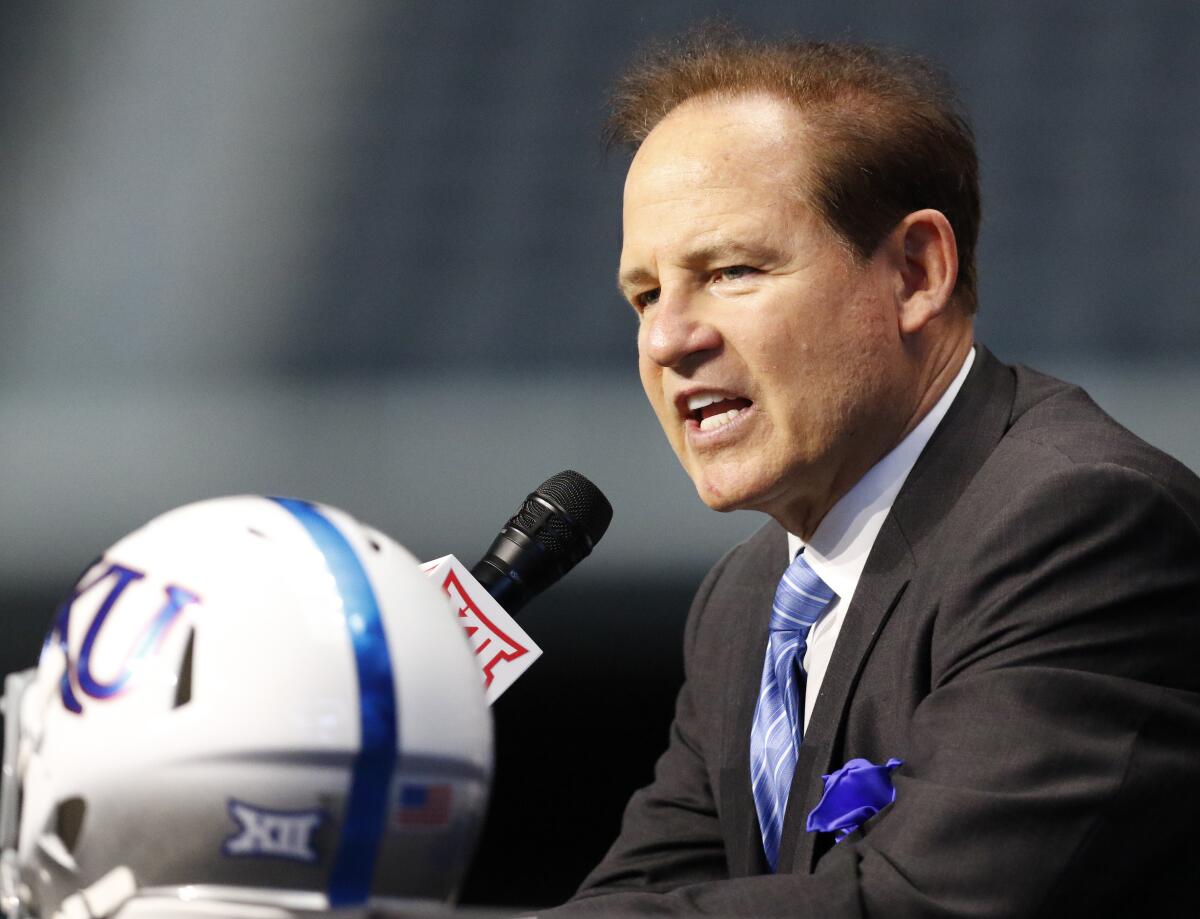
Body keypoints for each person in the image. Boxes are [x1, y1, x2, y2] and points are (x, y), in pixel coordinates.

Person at [543, 28, 1200, 917]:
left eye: (732, 270)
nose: (668, 340)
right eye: (646, 295)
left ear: (916, 272)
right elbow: (648, 891)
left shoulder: (1081, 523)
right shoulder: (747, 600)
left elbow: (918, 904)